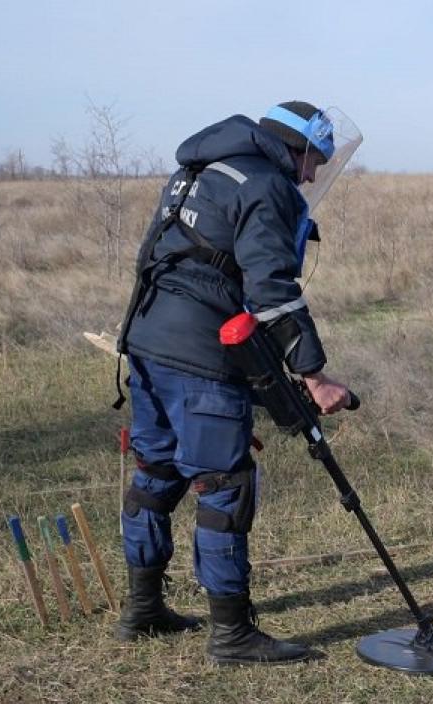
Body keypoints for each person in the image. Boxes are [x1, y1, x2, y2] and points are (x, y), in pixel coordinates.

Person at [112, 101, 353, 665]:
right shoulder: (266, 183)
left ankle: (143, 610)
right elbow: (273, 290)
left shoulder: (197, 170)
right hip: (201, 356)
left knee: (157, 469)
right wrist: (314, 376)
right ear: (294, 147)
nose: (313, 174)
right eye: (315, 159)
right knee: (224, 485)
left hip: (147, 343)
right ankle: (232, 635)